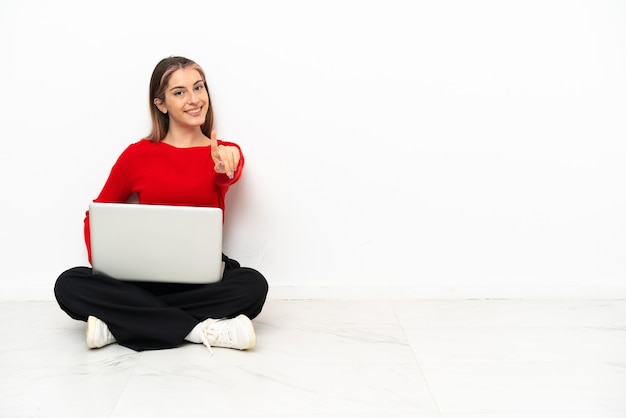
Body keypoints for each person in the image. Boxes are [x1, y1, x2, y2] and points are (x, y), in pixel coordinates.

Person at [54, 56, 268, 353]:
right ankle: (200, 330)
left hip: (200, 279)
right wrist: (105, 263)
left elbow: (227, 174)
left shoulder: (224, 154)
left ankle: (119, 324)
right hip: (143, 277)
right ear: (161, 104)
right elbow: (96, 215)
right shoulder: (136, 156)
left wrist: (225, 168)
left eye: (199, 87)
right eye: (179, 92)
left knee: (253, 285)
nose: (194, 99)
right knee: (68, 284)